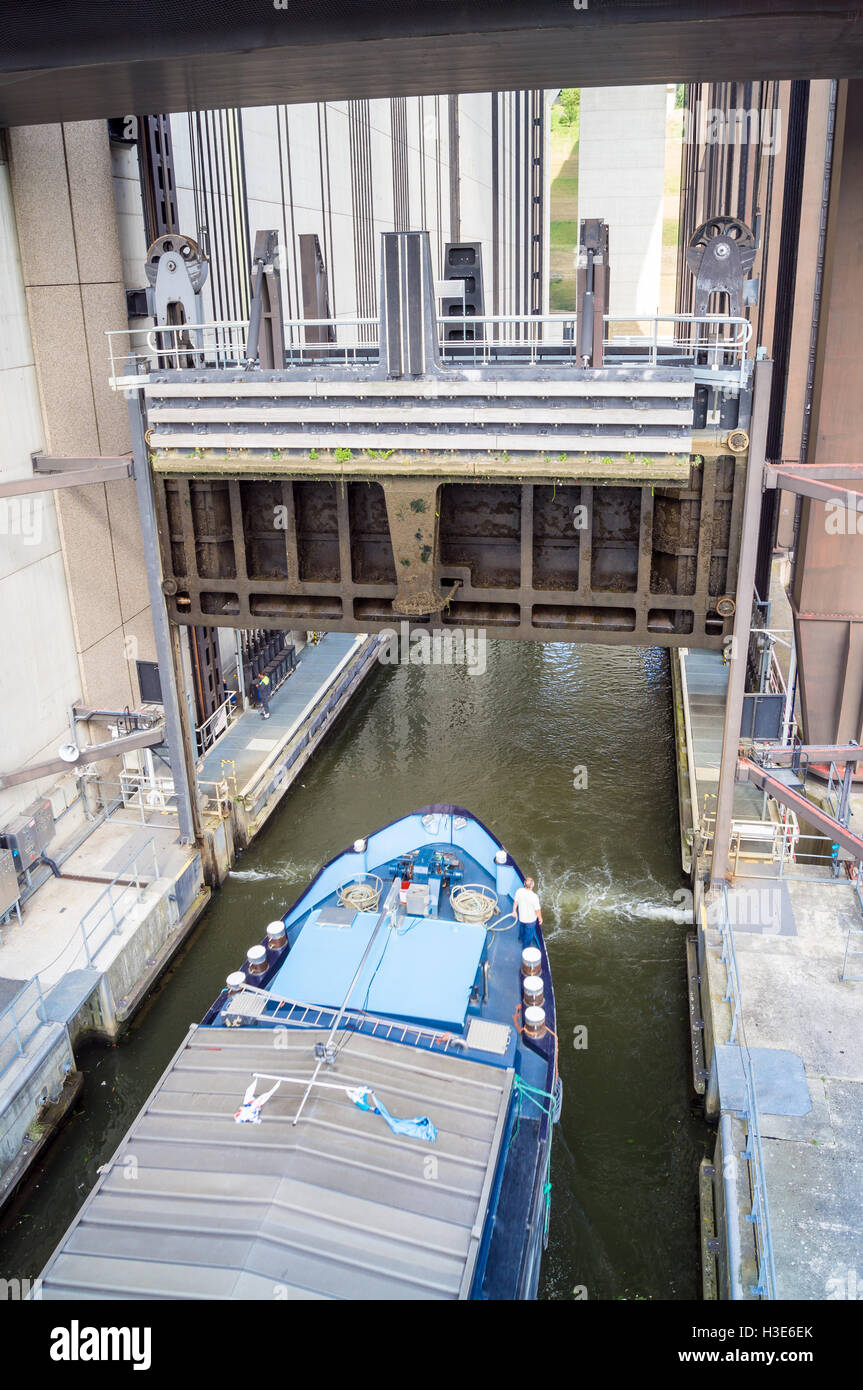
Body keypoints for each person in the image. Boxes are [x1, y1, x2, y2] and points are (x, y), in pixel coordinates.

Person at [513, 876, 542, 948]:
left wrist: (514, 911)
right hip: (530, 920)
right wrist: (540, 918)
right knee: (529, 935)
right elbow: (537, 910)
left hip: (522, 917)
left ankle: (520, 939)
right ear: (533, 886)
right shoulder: (534, 897)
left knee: (521, 928)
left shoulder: (519, 891)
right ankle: (525, 948)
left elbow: (515, 902)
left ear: (524, 883)